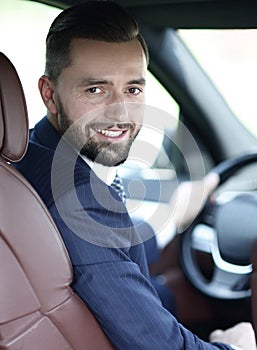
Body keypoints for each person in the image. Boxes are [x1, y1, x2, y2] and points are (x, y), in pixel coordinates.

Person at [15, 1, 256, 349]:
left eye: (133, 89)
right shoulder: (76, 199)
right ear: (49, 95)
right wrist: (236, 345)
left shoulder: (38, 155)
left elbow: (104, 255)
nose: (121, 113)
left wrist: (171, 217)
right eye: (95, 90)